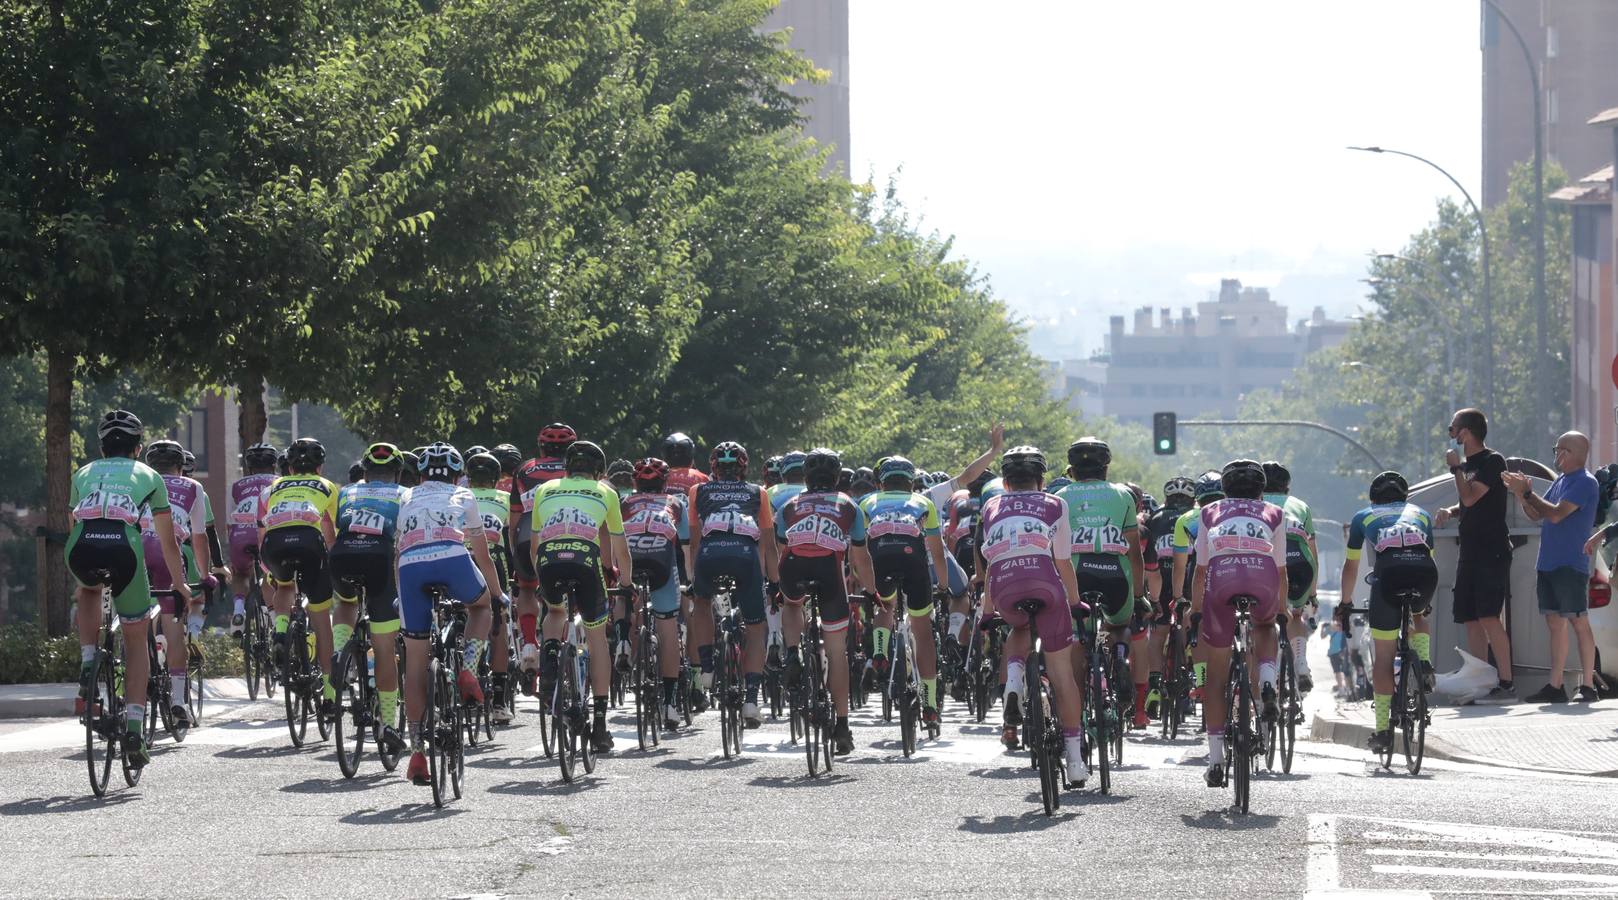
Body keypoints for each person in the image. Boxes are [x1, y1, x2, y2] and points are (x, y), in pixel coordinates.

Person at [67, 411, 192, 768]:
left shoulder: (83, 473)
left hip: (81, 546)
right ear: (138, 448)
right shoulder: (151, 475)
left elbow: (73, 523)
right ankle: (135, 729)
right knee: (137, 640)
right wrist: (180, 584)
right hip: (124, 549)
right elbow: (168, 544)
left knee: (88, 589)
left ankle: (89, 660)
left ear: (102, 448)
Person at [974, 445, 1090, 783]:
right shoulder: (1056, 503)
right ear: (1041, 481)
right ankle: (1074, 760)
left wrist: (987, 611)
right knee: (1062, 674)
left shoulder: (991, 505)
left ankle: (1013, 680)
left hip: (1005, 586)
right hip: (1045, 583)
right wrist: (1075, 602)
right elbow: (1064, 561)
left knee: (1018, 629)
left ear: (1006, 483)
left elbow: (992, 561)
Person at [397, 443, 503, 782]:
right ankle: (468, 670)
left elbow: (397, 546)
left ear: (422, 474)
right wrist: (498, 594)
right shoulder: (465, 495)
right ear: (459, 475)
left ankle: (416, 752)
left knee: (414, 664)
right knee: (481, 605)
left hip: (410, 568)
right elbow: (483, 556)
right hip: (452, 558)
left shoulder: (407, 496)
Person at [531, 440, 634, 752]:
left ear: (568, 467)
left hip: (549, 559)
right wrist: (627, 584)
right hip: (585, 561)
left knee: (555, 611)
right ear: (599, 472)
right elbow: (619, 547)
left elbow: (535, 546)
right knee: (597, 637)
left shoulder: (545, 489)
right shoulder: (607, 492)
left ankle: (549, 657)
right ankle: (600, 724)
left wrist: (540, 582)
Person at [1191, 459, 1287, 788]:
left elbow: (1201, 569)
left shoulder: (1209, 512)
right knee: (1264, 626)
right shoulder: (1275, 513)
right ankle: (1268, 681)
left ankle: (1216, 761)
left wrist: (1195, 609)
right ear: (1261, 489)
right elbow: (1282, 569)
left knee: (1216, 680)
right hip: (1262, 579)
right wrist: (1282, 608)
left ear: (1225, 488)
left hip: (1222, 581)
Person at [777, 447, 872, 755]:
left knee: (791, 603)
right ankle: (842, 726)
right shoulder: (849, 505)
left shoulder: (789, 504)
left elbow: (780, 550)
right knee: (836, 652)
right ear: (836, 477)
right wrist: (872, 592)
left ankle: (792, 653)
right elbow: (860, 557)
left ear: (805, 477)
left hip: (794, 567)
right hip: (830, 573)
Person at [1337, 471, 1439, 753]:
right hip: (1425, 574)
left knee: (1383, 658)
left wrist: (1345, 602)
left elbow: (1351, 566)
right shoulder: (1421, 513)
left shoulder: (1363, 516)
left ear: (1373, 499)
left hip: (1389, 576)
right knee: (1420, 612)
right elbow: (1430, 554)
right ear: (1405, 497)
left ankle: (1383, 730)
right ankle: (1425, 663)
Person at [1054, 438, 1148, 729]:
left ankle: (1078, 716)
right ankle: (1120, 655)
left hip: (1076, 572)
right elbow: (1134, 551)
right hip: (1116, 573)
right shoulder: (1124, 495)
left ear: (1073, 469)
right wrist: (1139, 593)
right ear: (1106, 467)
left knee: (1078, 639)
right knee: (1119, 626)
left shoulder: (1060, 496)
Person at [1506, 431, 1601, 703]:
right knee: (1554, 622)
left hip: (1570, 563)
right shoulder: (1560, 480)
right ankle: (1555, 685)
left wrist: (1527, 492)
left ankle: (1587, 686)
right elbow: (1537, 513)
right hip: (1548, 562)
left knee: (1578, 621)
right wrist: (1524, 495)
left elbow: (1557, 514)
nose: (1556, 454)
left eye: (1559, 450)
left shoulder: (1585, 482)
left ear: (1572, 453)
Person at [687, 441, 778, 723]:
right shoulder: (758, 493)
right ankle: (751, 699)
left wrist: (694, 579)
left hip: (709, 555)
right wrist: (773, 582)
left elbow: (694, 541)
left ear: (713, 467)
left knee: (701, 603)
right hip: (745, 557)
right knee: (755, 627)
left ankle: (707, 667)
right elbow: (769, 545)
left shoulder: (697, 491)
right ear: (743, 467)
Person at [859, 456, 951, 728]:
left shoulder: (867, 502)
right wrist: (943, 586)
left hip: (879, 556)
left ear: (880, 483)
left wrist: (864, 582)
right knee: (922, 631)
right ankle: (930, 702)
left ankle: (878, 651)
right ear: (911, 483)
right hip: (913, 560)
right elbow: (937, 550)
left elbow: (858, 548)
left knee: (884, 606)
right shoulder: (923, 503)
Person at [328, 442, 408, 751]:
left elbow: (340, 525)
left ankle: (338, 652)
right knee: (384, 650)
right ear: (398, 472)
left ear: (365, 470)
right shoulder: (403, 494)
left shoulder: (347, 491)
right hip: (379, 559)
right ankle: (388, 722)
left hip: (343, 556)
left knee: (347, 601)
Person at [1433, 408, 1515, 704]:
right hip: (1469, 551)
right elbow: (1468, 503)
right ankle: (1480, 679)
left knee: (1489, 616)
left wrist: (1455, 469)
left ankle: (1506, 684)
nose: (1451, 434)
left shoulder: (1493, 461)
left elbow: (1471, 495)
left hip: (1490, 551)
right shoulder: (1469, 465)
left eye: (1452, 428)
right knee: (1469, 617)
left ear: (1465, 432)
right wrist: (1451, 511)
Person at [258, 437, 340, 716]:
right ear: (320, 467)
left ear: (289, 469)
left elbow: (264, 523)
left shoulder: (272, 488)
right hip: (308, 542)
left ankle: (280, 631)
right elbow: (333, 532)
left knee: (283, 583)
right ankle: (330, 696)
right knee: (322, 622)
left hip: (273, 544)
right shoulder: (328, 486)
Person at [140, 440, 218, 726]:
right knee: (175, 625)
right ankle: (177, 700)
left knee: (135, 622)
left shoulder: (140, 479)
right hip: (168, 553)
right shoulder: (193, 488)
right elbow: (200, 538)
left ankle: (126, 689)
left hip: (135, 551)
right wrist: (205, 574)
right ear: (181, 466)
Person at [623, 458, 691, 728]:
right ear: (666, 483)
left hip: (631, 560)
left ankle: (622, 640)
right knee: (667, 628)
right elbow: (685, 546)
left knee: (624, 596)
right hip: (662, 563)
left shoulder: (624, 502)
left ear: (634, 482)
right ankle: (670, 703)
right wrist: (690, 579)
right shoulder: (676, 503)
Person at [508, 423, 575, 686]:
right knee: (562, 595)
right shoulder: (577, 471)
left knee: (526, 589)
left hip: (527, 533)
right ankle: (558, 650)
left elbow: (513, 518)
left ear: (542, 447)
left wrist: (515, 552)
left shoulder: (524, 468)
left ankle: (527, 643)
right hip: (565, 533)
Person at [1262, 461, 1320, 694]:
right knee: (1296, 614)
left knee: (1265, 622)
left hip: (1268, 563)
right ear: (1287, 486)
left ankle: (1271, 671)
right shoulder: (1301, 506)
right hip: (1301, 563)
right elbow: (1312, 551)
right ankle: (1301, 662)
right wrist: (1313, 592)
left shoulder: (1255, 504)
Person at [465, 450, 515, 719]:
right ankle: (498, 701)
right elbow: (510, 539)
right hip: (493, 560)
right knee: (499, 626)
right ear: (497, 479)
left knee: (463, 615)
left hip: (461, 557)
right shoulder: (505, 498)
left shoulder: (459, 497)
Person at [227, 442, 280, 635]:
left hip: (240, 534)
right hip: (268, 534)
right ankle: (275, 620)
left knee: (241, 574)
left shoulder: (236, 486)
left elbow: (228, 520)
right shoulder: (281, 483)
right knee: (271, 574)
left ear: (249, 467)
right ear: (275, 464)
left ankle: (239, 609)